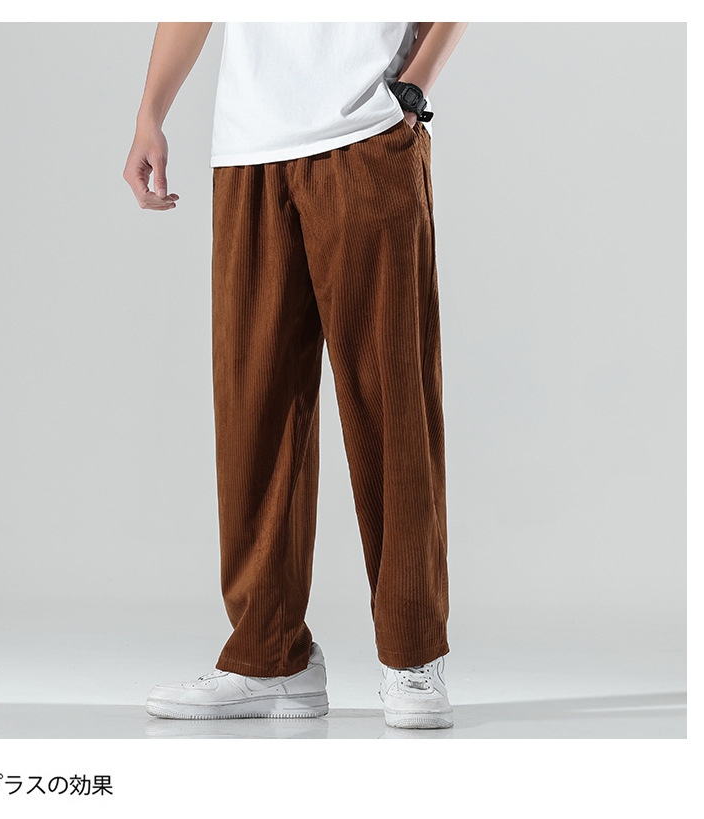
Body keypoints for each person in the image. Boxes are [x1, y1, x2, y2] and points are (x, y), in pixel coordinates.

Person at [123, 21, 468, 729]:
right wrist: (150, 111)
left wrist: (412, 89)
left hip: (367, 134)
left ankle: (412, 654)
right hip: (248, 145)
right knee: (253, 408)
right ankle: (268, 657)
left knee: (391, 404)